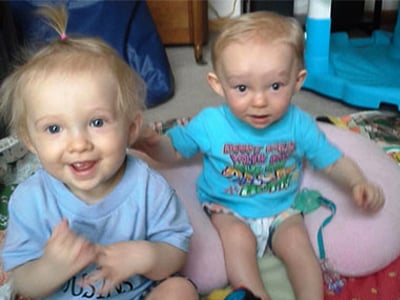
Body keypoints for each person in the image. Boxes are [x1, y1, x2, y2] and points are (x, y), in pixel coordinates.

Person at [135, 11, 385, 300]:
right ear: (218, 85)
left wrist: (356, 183)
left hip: (282, 207)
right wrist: (153, 144)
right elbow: (176, 150)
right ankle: (255, 296)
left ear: (297, 81)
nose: (259, 101)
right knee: (237, 242)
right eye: (242, 88)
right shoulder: (210, 123)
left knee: (299, 246)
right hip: (228, 208)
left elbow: (332, 160)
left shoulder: (298, 124)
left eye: (275, 86)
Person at [0, 5, 198, 300]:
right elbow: (24, 285)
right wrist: (51, 268)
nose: (79, 144)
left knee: (180, 290)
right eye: (54, 129)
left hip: (136, 295)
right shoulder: (30, 201)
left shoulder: (147, 186)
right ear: (29, 140)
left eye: (96, 122)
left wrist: (146, 256)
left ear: (131, 129)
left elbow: (176, 251)